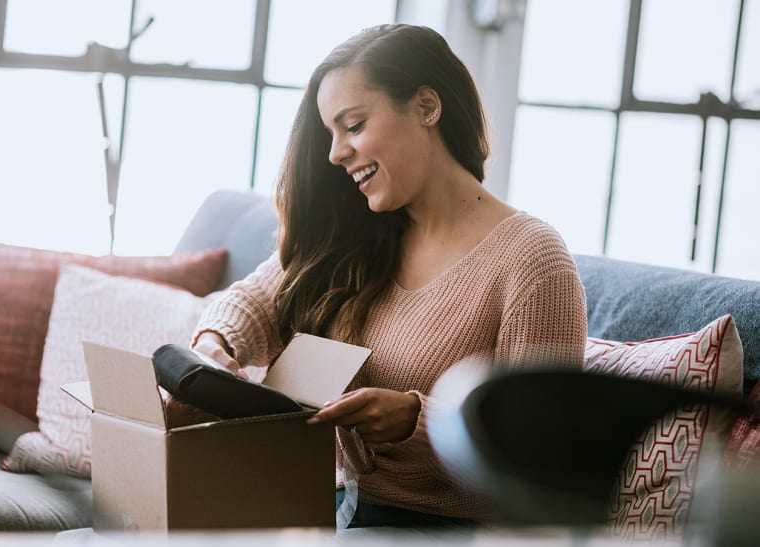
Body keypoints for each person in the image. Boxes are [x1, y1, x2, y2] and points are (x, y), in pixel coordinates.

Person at [189, 23, 588, 528]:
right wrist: (212, 346)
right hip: (334, 513)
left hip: (454, 531)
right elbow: (254, 300)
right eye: (331, 134)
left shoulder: (532, 259)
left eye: (353, 126)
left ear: (426, 107)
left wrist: (416, 421)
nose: (335, 153)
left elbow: (541, 448)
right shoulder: (357, 235)